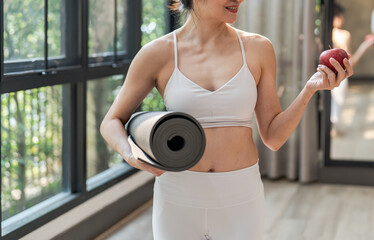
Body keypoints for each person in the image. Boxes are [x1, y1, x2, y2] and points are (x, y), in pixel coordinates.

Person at [100, 0, 353, 239]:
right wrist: (131, 155)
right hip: (177, 196)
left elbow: (273, 138)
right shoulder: (158, 53)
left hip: (241, 195)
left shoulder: (258, 48)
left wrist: (309, 89)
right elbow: (111, 121)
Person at [331, 3, 374, 134]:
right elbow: (350, 63)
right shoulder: (343, 35)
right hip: (339, 77)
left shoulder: (320, 35)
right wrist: (365, 46)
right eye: (341, 16)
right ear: (336, 17)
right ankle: (334, 129)